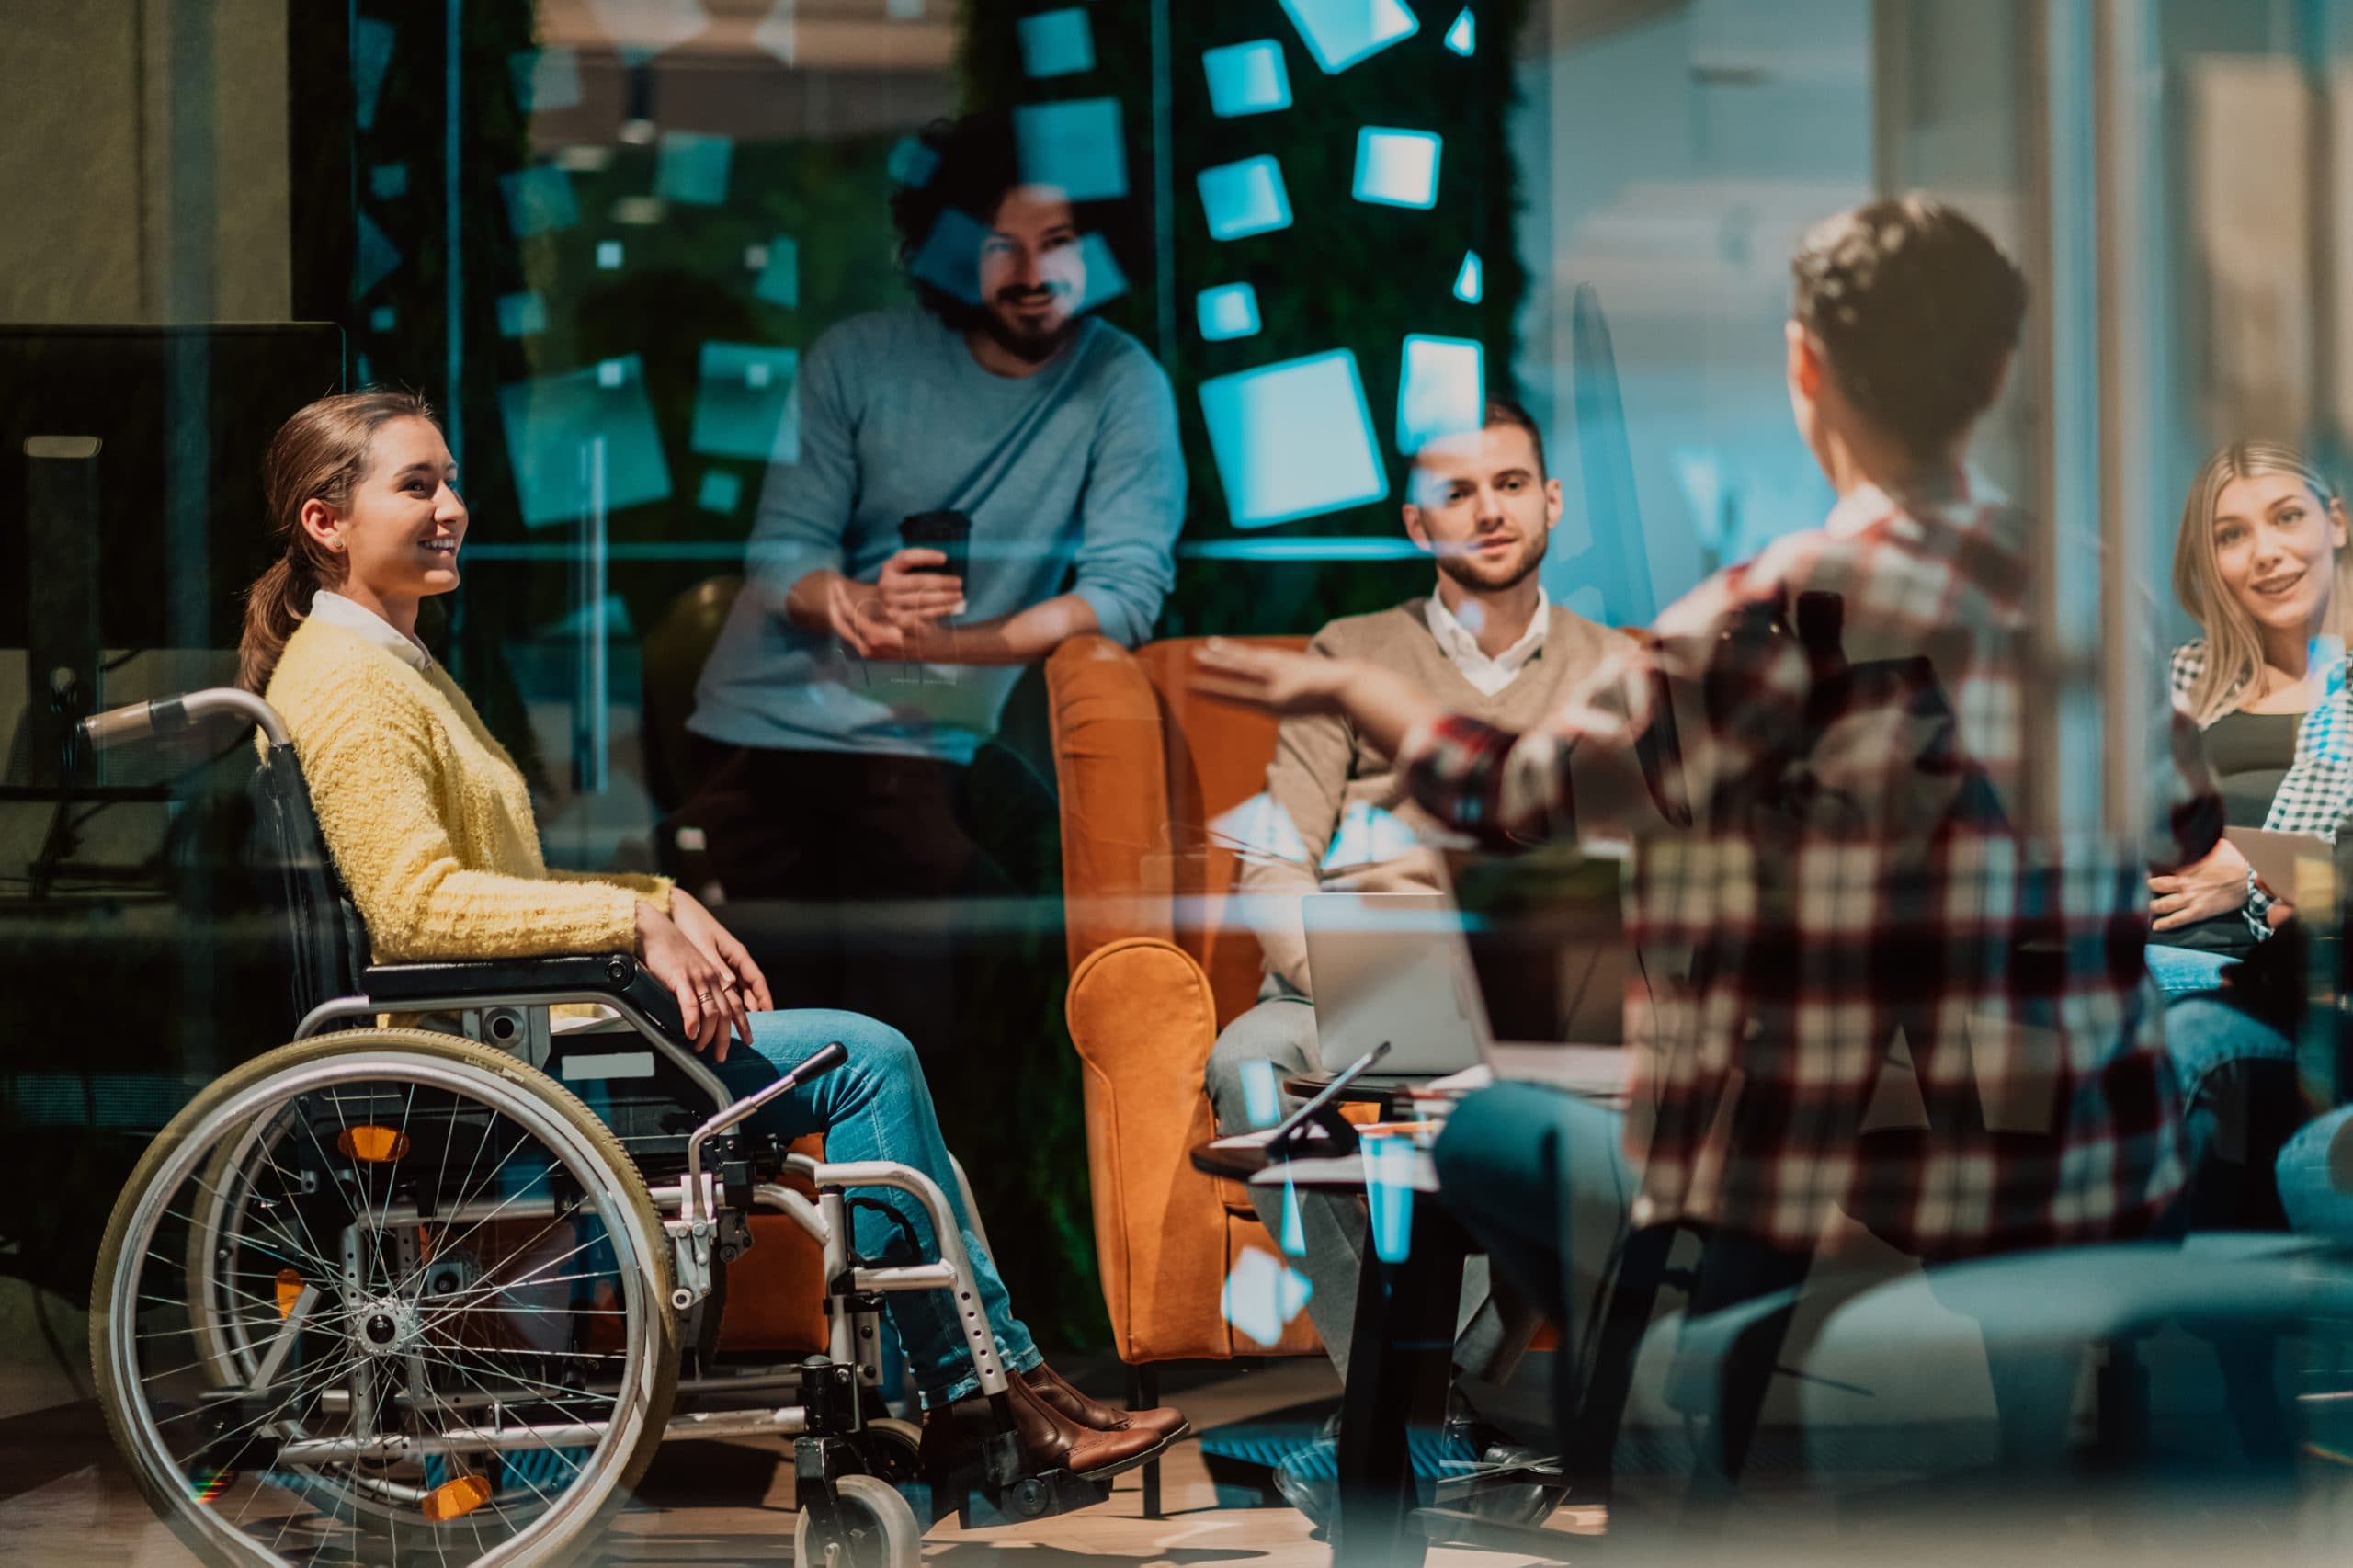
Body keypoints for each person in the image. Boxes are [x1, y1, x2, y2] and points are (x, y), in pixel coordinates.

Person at [1196, 198, 2230, 1467]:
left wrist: (1370, 701)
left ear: (1807, 368)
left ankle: (1604, 1421)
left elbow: (1521, 799)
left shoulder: (1768, 614)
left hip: (1821, 1150)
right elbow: (2182, 820)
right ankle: (2030, 1465)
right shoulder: (2090, 584)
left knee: (1507, 1135)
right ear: (1996, 373)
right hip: (2095, 1140)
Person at [235, 389, 1186, 1487]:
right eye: (418, 485)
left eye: (450, 480)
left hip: (518, 1037)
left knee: (873, 1072)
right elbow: (415, 906)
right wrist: (632, 916)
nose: (452, 506)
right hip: (486, 1068)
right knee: (864, 1061)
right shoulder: (352, 680)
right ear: (325, 521)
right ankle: (980, 1401)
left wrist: (662, 897)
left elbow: (491, 887)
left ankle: (999, 1391)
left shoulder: (391, 661)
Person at [679, 108, 1185, 1045]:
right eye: (1002, 244)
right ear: (952, 247)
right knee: (763, 1035)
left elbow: (1123, 591)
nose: (1033, 273)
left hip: (922, 743)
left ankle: (891, 1188)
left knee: (905, 1025)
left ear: (1103, 245)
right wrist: (850, 601)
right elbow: (781, 549)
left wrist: (954, 645)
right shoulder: (857, 357)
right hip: (763, 733)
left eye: (1060, 241)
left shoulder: (1121, 382)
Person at [1201, 400, 1615, 1391]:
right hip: (1341, 990)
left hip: (1534, 1004)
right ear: (1415, 523)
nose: (1488, 510)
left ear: (1550, 500)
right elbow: (1274, 858)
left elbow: (1627, 874)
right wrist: (1341, 979)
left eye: (1510, 484)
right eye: (1455, 493)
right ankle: (1405, 1401)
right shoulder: (1346, 652)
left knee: (1597, 1112)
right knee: (1248, 1068)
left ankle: (1425, 1406)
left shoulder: (1614, 667)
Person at [2147, 442, 2353, 993]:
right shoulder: (2182, 677)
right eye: (2232, 535)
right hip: (2137, 948)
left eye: (2287, 517)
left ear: (2335, 523)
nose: (2265, 552)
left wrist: (2251, 878)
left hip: (2261, 974)